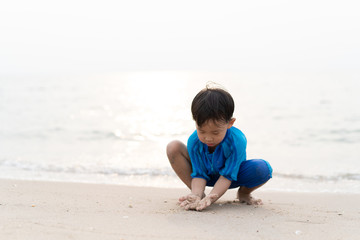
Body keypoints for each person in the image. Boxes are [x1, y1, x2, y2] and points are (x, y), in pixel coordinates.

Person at [166, 85, 272, 211]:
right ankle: (197, 195)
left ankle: (244, 193)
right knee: (173, 147)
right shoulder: (194, 141)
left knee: (263, 168)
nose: (208, 138)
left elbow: (226, 176)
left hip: (232, 176)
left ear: (230, 123)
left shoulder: (236, 140)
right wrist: (196, 193)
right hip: (205, 176)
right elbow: (199, 174)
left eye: (215, 132)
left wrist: (212, 198)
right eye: (202, 131)